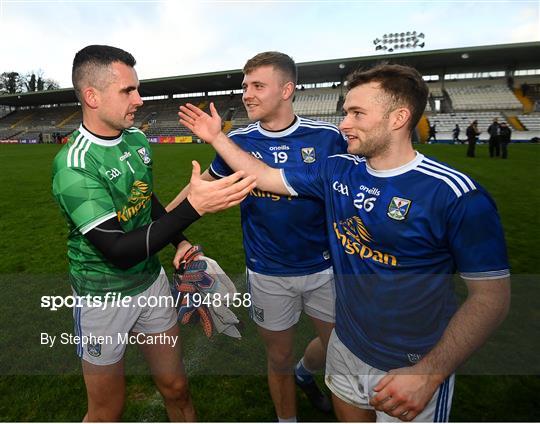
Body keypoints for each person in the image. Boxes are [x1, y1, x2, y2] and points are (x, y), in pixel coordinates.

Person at [178, 63, 511, 422]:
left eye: (356, 113)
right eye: (345, 112)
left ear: (398, 117)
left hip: (410, 365)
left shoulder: (456, 196)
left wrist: (431, 371)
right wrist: (215, 138)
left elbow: (491, 298)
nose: (343, 124)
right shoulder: (338, 170)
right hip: (345, 348)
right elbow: (262, 174)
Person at [51, 45, 256, 422]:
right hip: (102, 300)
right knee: (106, 410)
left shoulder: (136, 141)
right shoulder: (74, 166)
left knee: (177, 388)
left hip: (152, 284)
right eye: (128, 91)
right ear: (92, 96)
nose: (140, 100)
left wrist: (180, 241)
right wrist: (194, 207)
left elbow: (145, 200)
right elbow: (119, 250)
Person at [170, 51, 347, 421]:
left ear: (287, 90)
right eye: (245, 86)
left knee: (341, 352)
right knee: (278, 357)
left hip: (326, 267)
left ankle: (306, 372)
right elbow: (202, 187)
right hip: (268, 271)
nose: (246, 94)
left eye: (257, 86)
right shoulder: (239, 140)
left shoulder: (328, 138)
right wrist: (158, 225)